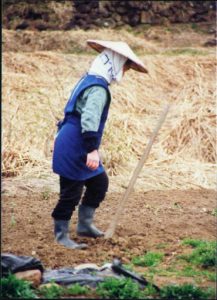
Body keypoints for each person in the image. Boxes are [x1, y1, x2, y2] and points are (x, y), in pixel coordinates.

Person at [51, 40, 148, 249]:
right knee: (71, 190)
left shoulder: (91, 79)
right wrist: (91, 149)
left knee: (98, 182)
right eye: (125, 67)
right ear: (116, 62)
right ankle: (61, 235)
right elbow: (89, 119)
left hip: (73, 137)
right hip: (75, 142)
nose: (125, 72)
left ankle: (85, 226)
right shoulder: (98, 88)